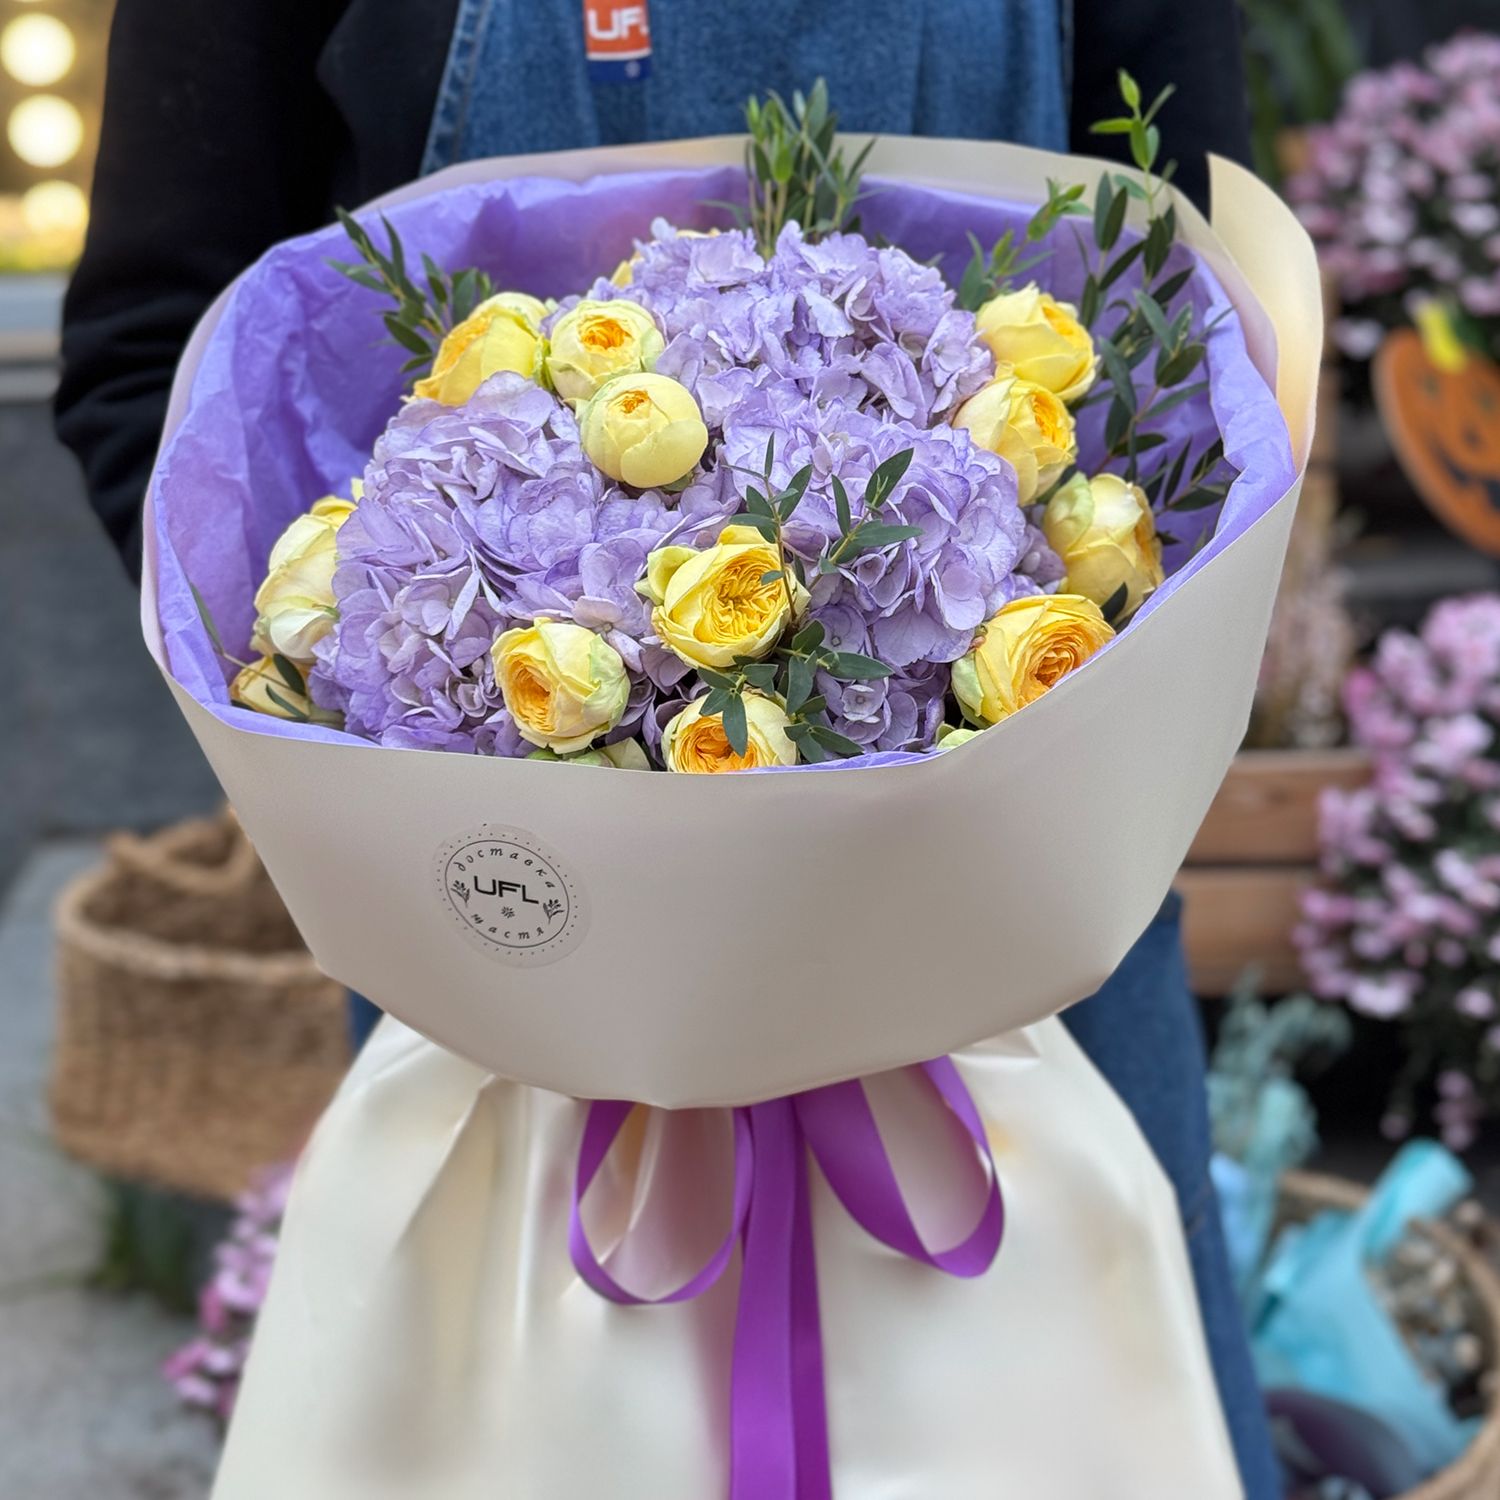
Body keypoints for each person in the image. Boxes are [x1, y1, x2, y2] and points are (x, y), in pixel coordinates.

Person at [55, 4, 1277, 1496]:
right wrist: (393, 694)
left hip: (1035, 995)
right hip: (510, 1003)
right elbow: (150, 354)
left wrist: (1022, 721)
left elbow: (1196, 336)